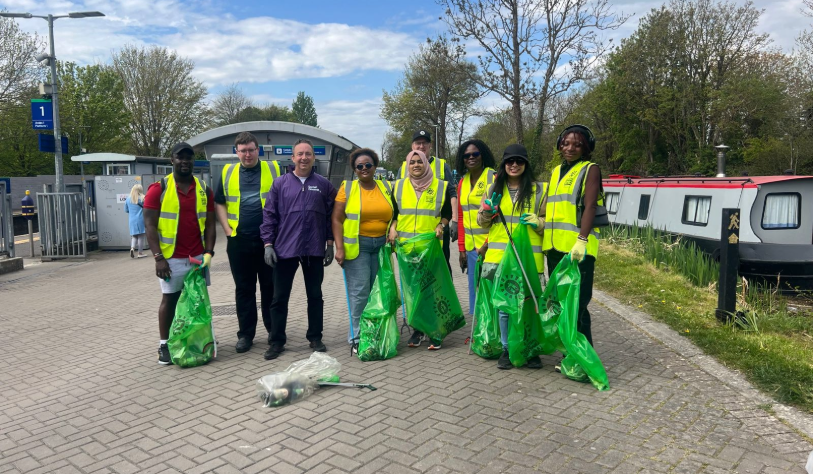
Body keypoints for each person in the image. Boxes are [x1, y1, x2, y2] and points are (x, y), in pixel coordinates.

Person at [260, 139, 336, 360]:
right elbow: (269, 215)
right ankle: (276, 341)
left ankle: (315, 337)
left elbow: (333, 217)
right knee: (279, 297)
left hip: (314, 249)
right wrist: (268, 244)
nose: (304, 158)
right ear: (292, 158)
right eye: (300, 154)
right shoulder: (280, 184)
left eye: (308, 154)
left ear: (314, 158)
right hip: (285, 249)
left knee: (315, 295)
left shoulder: (324, 185)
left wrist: (329, 244)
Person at [144, 142, 216, 365]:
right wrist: (158, 258)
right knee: (171, 300)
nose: (185, 161)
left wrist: (209, 253)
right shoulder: (159, 189)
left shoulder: (204, 189)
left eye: (189, 157)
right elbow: (149, 225)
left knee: (197, 301)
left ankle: (196, 341)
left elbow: (211, 226)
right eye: (180, 157)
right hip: (170, 258)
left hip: (196, 258)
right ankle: (164, 345)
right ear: (172, 160)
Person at [478, 144, 546, 369]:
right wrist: (487, 212)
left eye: (519, 161)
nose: (514, 165)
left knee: (530, 306)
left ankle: (530, 349)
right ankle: (507, 350)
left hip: (529, 259)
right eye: (509, 161)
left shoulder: (539, 190)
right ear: (503, 164)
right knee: (506, 308)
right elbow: (482, 223)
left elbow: (550, 224)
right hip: (499, 259)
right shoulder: (492, 189)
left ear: (526, 164)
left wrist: (540, 222)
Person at [214, 132, 281, 354]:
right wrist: (226, 229)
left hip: (268, 242)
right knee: (244, 289)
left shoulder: (275, 169)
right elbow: (220, 203)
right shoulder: (228, 171)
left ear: (258, 149)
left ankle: (274, 333)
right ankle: (245, 335)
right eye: (242, 150)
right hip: (239, 241)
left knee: (270, 288)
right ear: (236, 152)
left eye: (251, 149)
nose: (247, 154)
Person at [542, 124, 602, 349]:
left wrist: (582, 240)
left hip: (577, 250)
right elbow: (553, 207)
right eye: (566, 143)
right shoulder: (557, 171)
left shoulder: (590, 169)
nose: (570, 148)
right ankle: (570, 353)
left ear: (586, 148)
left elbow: (590, 207)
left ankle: (584, 360)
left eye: (577, 144)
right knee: (561, 303)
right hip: (555, 248)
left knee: (577, 305)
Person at [389, 150, 453, 350]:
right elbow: (394, 213)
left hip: (430, 248)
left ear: (426, 164)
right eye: (412, 162)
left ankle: (435, 331)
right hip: (407, 249)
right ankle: (417, 330)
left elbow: (447, 214)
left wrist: (441, 225)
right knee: (412, 290)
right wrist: (392, 228)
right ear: (407, 165)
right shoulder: (398, 186)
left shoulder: (440, 186)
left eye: (419, 162)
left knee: (431, 289)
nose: (416, 165)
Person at [331, 148, 394, 352]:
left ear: (375, 167)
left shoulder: (386, 187)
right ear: (354, 169)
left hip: (382, 247)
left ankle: (377, 333)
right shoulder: (347, 188)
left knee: (379, 292)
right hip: (357, 247)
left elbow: (397, 214)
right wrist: (339, 248)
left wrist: (393, 229)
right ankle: (357, 338)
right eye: (360, 166)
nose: (364, 169)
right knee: (360, 294)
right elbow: (337, 219)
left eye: (368, 165)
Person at [400, 130, 458, 274]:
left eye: (424, 143)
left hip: (435, 232)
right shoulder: (403, 167)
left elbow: (452, 194)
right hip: (409, 234)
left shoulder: (441, 165)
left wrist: (454, 221)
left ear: (430, 145)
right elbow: (396, 200)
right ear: (412, 145)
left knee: (440, 271)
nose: (421, 146)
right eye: (417, 143)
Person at [454, 139, 496, 316]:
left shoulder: (493, 177)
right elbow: (462, 215)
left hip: (491, 247)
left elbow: (500, 218)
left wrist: (487, 244)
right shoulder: (462, 182)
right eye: (466, 155)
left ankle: (494, 335)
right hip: (472, 249)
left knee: (491, 291)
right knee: (474, 290)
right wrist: (462, 249)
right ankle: (479, 333)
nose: (471, 158)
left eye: (475, 154)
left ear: (483, 155)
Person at [124, 183, 147, 258]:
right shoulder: (143, 198)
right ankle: (140, 253)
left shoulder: (128, 199)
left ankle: (132, 248)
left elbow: (126, 210)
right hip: (141, 219)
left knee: (134, 236)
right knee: (141, 236)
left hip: (132, 220)